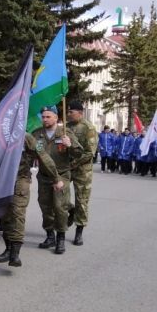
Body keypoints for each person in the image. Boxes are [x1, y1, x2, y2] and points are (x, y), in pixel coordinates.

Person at [0, 133, 60, 267]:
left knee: (17, 215)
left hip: (21, 178)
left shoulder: (26, 137)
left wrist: (55, 177)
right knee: (5, 216)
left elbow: (44, 157)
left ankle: (15, 254)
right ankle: (8, 249)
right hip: (2, 180)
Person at [31, 106, 83, 255]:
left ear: (56, 117)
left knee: (59, 207)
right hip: (44, 176)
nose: (45, 119)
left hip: (61, 175)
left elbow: (79, 152)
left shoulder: (65, 133)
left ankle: (61, 237)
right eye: (43, 116)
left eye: (48, 116)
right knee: (45, 206)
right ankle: (50, 235)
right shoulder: (37, 134)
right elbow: (30, 152)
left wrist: (70, 145)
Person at [65, 100, 98, 246]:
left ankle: (79, 232)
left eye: (71, 112)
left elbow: (89, 153)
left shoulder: (88, 128)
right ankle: (70, 210)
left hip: (82, 170)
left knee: (82, 201)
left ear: (80, 112)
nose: (68, 114)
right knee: (59, 196)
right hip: (66, 168)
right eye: (68, 112)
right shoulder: (66, 127)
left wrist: (73, 164)